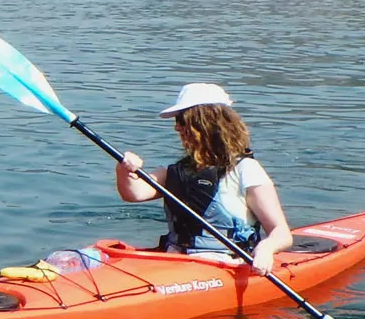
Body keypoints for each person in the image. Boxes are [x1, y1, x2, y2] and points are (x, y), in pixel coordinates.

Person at [113, 83, 292, 275]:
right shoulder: (175, 171)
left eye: (181, 120)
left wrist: (265, 249)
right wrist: (124, 169)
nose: (176, 128)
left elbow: (281, 233)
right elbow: (133, 194)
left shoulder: (246, 170)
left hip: (224, 265)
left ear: (204, 123)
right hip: (173, 259)